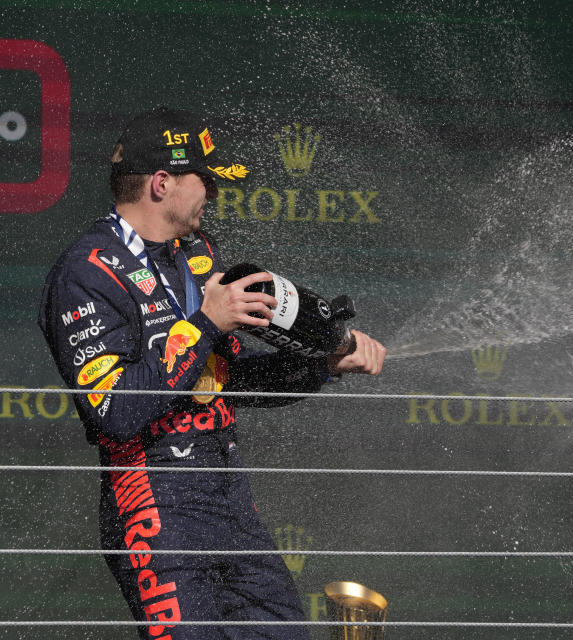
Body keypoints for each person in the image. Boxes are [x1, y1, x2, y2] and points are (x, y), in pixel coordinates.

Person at [37, 107, 386, 639]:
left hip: (228, 494)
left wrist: (321, 366)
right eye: (206, 180)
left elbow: (231, 380)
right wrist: (204, 322)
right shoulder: (86, 273)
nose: (214, 193)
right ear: (162, 183)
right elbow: (115, 411)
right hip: (153, 501)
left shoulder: (196, 253)